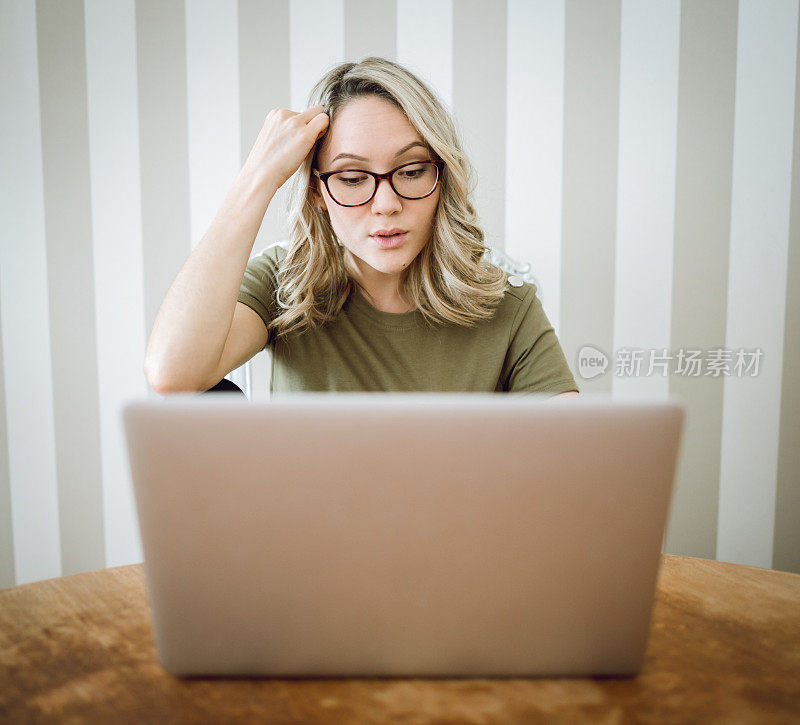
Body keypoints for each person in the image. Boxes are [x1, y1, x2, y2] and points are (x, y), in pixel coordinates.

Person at [143, 57, 579, 398]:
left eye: (410, 171)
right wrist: (257, 178)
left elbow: (572, 458)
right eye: (352, 179)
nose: (386, 205)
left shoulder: (508, 305)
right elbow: (172, 375)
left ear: (440, 176)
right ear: (318, 192)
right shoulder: (284, 282)